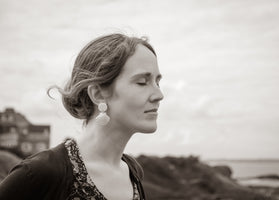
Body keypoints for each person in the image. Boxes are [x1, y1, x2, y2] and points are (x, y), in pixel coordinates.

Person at [0, 33, 164, 200]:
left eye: (157, 82)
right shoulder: (40, 173)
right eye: (142, 82)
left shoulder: (132, 172)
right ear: (98, 94)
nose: (159, 94)